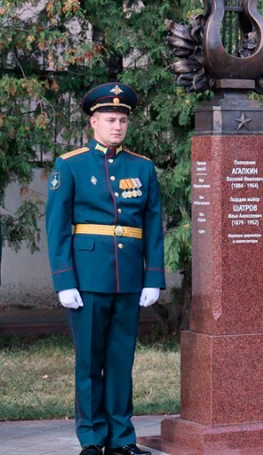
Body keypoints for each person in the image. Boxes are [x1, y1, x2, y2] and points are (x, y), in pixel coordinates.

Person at [45, 82, 165, 455]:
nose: (117, 126)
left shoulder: (142, 167)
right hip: (87, 277)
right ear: (93, 122)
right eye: (110, 119)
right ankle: (92, 438)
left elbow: (153, 224)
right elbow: (56, 227)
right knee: (89, 362)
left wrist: (153, 277)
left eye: (122, 120)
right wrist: (64, 280)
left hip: (128, 277)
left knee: (120, 362)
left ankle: (121, 438)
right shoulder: (71, 164)